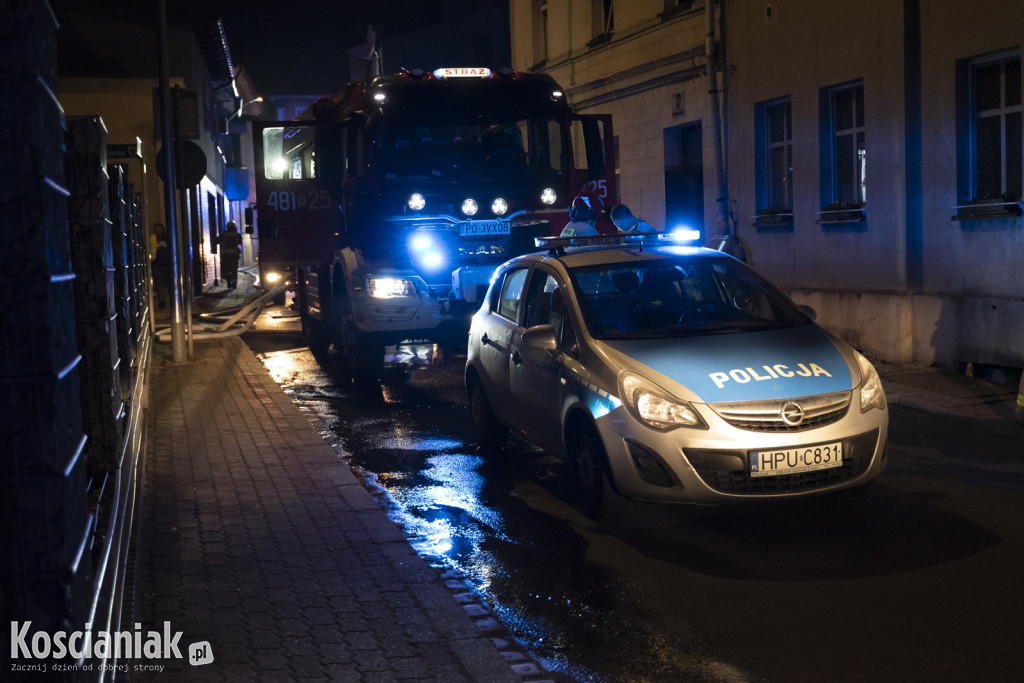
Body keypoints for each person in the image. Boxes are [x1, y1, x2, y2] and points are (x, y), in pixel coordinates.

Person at [151, 223, 171, 308]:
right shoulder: (153, 239)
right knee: (159, 284)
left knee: (168, 283)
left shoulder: (166, 239)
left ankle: (170, 300)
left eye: (160, 229)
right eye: (157, 229)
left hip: (166, 264)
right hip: (157, 264)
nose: (159, 230)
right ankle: (162, 301)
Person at [219, 220, 243, 289]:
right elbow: (240, 242)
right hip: (234, 255)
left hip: (226, 255)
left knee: (227, 269)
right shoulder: (237, 235)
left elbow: (218, 240)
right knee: (234, 270)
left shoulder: (224, 234)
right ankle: (234, 284)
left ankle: (228, 281)